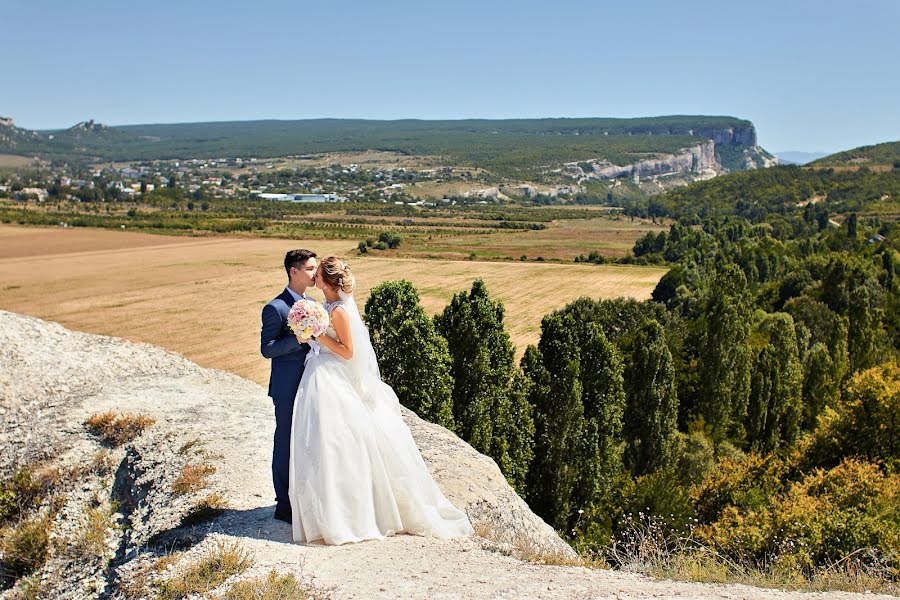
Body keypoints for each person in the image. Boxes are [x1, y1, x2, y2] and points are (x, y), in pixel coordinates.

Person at [288, 256, 473, 544]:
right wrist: (311, 332)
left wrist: (317, 334)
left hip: (332, 373)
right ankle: (325, 509)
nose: (314, 278)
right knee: (322, 441)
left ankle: (344, 515)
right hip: (320, 370)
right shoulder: (325, 306)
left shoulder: (338, 312)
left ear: (326, 281)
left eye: (318, 274)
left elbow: (348, 351)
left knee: (334, 440)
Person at [260, 249, 317, 523]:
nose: (314, 273)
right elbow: (267, 349)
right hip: (286, 387)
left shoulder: (311, 303)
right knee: (285, 442)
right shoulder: (276, 307)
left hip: (311, 384)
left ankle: (303, 497)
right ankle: (283, 505)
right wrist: (299, 338)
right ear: (293, 271)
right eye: (309, 268)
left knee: (306, 441)